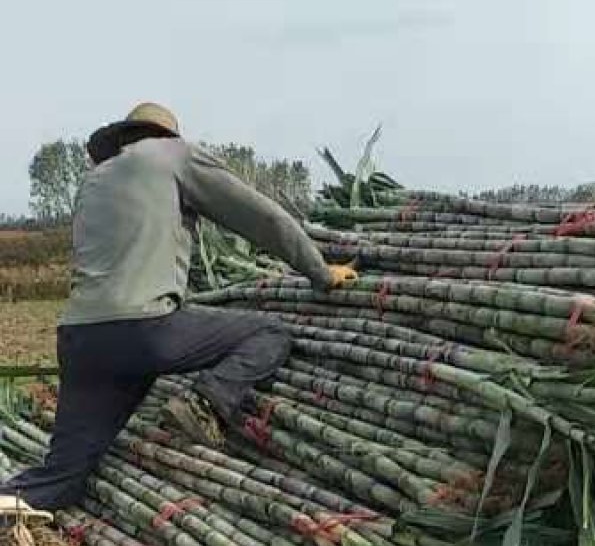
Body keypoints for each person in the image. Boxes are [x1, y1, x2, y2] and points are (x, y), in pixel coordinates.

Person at [0, 102, 356, 517]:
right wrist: (319, 271)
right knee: (269, 333)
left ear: (121, 139)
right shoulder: (174, 156)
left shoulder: (93, 181)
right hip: (145, 331)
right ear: (165, 135)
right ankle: (206, 402)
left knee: (60, 477)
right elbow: (262, 218)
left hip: (81, 339)